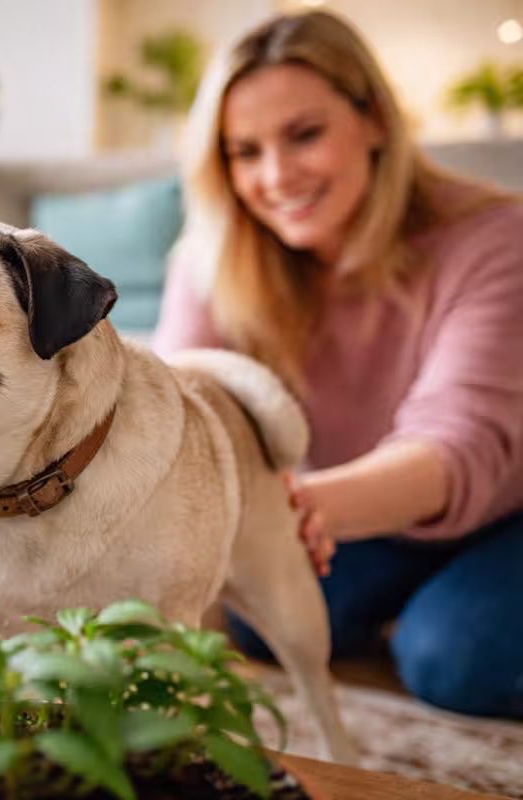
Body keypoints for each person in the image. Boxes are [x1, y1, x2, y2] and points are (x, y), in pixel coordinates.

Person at [151, 8, 523, 719]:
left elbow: (456, 448)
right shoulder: (215, 255)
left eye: (305, 135)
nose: (276, 175)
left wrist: (283, 511)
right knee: (261, 622)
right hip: (358, 510)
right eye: (245, 151)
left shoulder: (496, 238)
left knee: (456, 658)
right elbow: (180, 413)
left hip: (502, 507)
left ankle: (435, 612)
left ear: (375, 120)